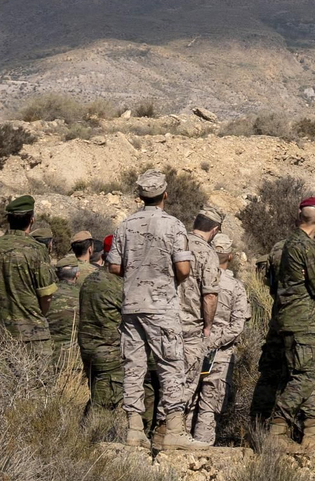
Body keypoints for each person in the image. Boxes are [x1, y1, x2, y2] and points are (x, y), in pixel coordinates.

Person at [107, 169, 204, 450]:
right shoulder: (173, 226)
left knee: (134, 367)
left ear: (140, 196)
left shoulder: (125, 225)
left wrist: (136, 271)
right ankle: (174, 428)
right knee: (171, 364)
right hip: (161, 306)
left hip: (132, 305)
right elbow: (183, 268)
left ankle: (134, 429)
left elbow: (114, 265)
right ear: (165, 195)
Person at [269, 196, 315, 454]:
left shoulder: (284, 245)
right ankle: (277, 426)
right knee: (308, 376)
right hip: (305, 320)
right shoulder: (306, 246)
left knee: (308, 375)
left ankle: (311, 434)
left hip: (288, 318)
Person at [192, 234, 251, 445]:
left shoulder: (195, 280)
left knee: (186, 400)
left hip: (193, 346)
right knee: (210, 403)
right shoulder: (235, 287)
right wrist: (215, 341)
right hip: (221, 352)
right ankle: (201, 449)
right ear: (230, 257)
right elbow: (238, 325)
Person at [0, 196, 58, 357]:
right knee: (38, 381)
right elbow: (46, 295)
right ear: (32, 220)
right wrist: (37, 317)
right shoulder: (36, 249)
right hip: (32, 334)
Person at [77, 240, 125, 417]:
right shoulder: (118, 284)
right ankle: (89, 441)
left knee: (98, 397)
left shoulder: (91, 278)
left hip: (88, 348)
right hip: (108, 351)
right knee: (104, 405)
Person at [178, 206, 223, 394]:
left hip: (161, 322)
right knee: (184, 387)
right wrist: (208, 326)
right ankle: (170, 423)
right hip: (189, 328)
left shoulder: (177, 243)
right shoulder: (207, 253)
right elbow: (210, 295)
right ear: (215, 230)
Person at [44, 255, 83, 363]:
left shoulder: (47, 294)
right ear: (77, 274)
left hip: (49, 355)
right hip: (76, 356)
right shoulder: (83, 295)